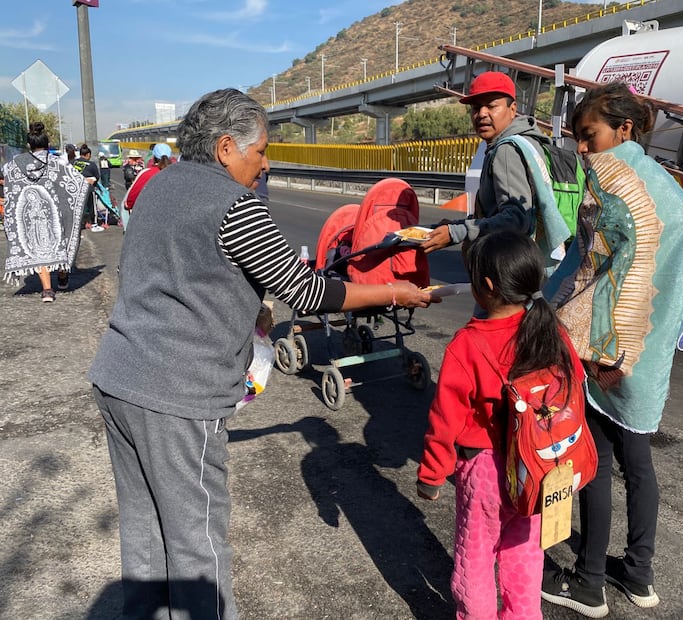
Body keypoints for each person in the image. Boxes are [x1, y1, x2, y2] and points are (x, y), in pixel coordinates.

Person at [88, 88, 432, 620]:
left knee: (145, 534)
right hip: (178, 393)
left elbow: (176, 274)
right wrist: (395, 292)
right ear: (227, 147)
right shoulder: (236, 205)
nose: (266, 162)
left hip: (117, 378)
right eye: (262, 150)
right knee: (197, 545)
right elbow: (313, 292)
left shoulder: (160, 185)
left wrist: (245, 311)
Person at [540, 82, 683, 617]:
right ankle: (640, 575)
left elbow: (589, 269)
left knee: (596, 463)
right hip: (648, 352)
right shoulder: (670, 187)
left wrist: (549, 308)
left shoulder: (610, 179)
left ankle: (588, 586)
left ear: (623, 130)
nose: (583, 149)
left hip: (604, 350)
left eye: (589, 136)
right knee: (640, 463)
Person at [417, 230, 582, 619]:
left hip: (487, 471)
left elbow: (445, 420)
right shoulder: (552, 332)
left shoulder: (468, 345)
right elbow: (573, 392)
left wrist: (432, 475)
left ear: (486, 287)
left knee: (475, 558)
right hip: (539, 467)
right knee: (524, 554)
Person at [421, 71, 568, 256]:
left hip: (511, 266)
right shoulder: (530, 141)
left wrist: (456, 233)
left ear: (512, 109)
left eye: (491, 106)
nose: (482, 114)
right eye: (476, 108)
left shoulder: (506, 150)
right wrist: (454, 227)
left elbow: (515, 219)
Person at [1, 122, 88, 302]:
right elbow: (77, 183)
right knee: (64, 236)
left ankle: (47, 290)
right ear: (47, 144)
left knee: (36, 245)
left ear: (28, 145)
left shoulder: (14, 166)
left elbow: (7, 181)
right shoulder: (58, 163)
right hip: (55, 214)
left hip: (32, 218)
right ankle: (63, 276)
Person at [122, 143, 173, 211]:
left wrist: (128, 205)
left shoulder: (146, 173)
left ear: (153, 157)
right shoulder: (177, 173)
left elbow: (132, 197)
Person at [73, 143, 100, 228]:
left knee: (78, 206)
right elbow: (97, 177)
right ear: (88, 155)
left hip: (76, 188)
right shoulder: (91, 164)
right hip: (89, 189)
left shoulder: (73, 163)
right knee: (91, 206)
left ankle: (80, 223)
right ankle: (93, 222)